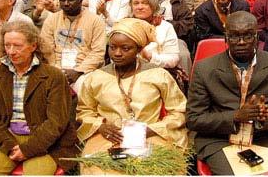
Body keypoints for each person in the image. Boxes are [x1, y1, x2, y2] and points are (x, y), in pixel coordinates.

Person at [77, 17, 188, 174]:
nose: (117, 53)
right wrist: (100, 126)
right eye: (112, 47)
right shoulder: (96, 77)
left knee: (158, 170)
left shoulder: (158, 75)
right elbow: (84, 111)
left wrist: (152, 129)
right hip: (109, 137)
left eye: (125, 48)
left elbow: (179, 111)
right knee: (99, 171)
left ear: (138, 49)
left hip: (150, 136)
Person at [186, 11, 268, 175]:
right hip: (219, 141)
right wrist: (235, 116)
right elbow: (194, 119)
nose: (241, 42)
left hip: (263, 138)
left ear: (257, 37)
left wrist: (263, 116)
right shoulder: (204, 68)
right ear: (226, 38)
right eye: (235, 36)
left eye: (248, 36)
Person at [0, 20, 79, 175]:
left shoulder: (53, 76)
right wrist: (8, 145)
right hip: (7, 138)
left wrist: (28, 149)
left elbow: (57, 121)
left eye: (17, 46)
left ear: (33, 46)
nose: (11, 51)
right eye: (7, 45)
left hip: (46, 142)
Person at [39, 0, 106, 92]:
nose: (66, 3)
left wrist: (78, 71)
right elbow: (46, 49)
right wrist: (57, 69)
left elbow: (98, 53)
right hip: (55, 68)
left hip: (84, 71)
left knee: (82, 87)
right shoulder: (52, 19)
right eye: (62, 0)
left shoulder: (95, 21)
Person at [129, 0, 180, 68]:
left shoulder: (165, 27)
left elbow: (173, 59)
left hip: (158, 73)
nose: (140, 7)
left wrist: (150, 56)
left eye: (145, 3)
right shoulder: (126, 26)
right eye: (136, 3)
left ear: (153, 6)